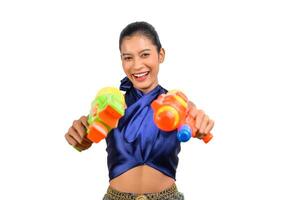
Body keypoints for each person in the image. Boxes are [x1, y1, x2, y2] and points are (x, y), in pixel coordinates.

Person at [65, 21, 214, 200]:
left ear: (161, 55)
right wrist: (80, 135)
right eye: (128, 57)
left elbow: (195, 117)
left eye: (145, 55)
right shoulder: (111, 105)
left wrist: (199, 124)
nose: (136, 65)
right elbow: (87, 132)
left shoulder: (176, 103)